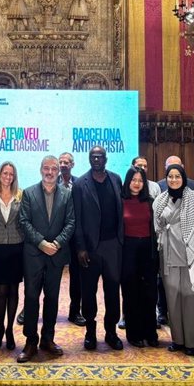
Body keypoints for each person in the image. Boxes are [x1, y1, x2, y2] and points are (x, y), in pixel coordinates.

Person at [17, 155, 75, 362]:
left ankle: (47, 339)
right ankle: (30, 341)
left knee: (52, 299)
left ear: (58, 171)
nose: (49, 172)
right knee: (31, 298)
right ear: (40, 170)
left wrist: (57, 244)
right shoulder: (28, 193)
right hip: (34, 254)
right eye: (46, 168)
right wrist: (42, 243)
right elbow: (23, 222)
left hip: (56, 256)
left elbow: (71, 223)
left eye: (53, 169)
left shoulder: (68, 194)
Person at [153, 164, 194, 355]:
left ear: (184, 178)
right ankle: (177, 340)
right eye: (170, 176)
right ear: (166, 178)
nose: (174, 180)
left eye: (178, 176)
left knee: (192, 300)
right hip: (169, 258)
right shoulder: (160, 201)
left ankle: (191, 343)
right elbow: (157, 228)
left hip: (192, 259)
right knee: (173, 300)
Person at [72, 145, 124, 351]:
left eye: (100, 156)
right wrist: (80, 248)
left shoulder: (116, 179)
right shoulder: (79, 184)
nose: (96, 159)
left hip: (113, 246)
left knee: (112, 291)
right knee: (89, 292)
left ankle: (111, 332)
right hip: (90, 248)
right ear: (88, 158)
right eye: (93, 156)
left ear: (106, 158)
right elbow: (76, 218)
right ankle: (90, 332)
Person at [156, 155, 194, 327]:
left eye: (177, 170)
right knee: (166, 285)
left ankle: (190, 325)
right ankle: (164, 312)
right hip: (167, 248)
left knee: (188, 290)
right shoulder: (159, 188)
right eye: (169, 171)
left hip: (188, 248)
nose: (173, 178)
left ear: (182, 167)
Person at [120, 166, 159, 348]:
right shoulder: (120, 201)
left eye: (140, 180)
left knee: (149, 294)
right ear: (127, 182)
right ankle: (134, 334)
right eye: (133, 180)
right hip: (127, 251)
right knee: (131, 293)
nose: (137, 184)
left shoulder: (151, 202)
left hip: (148, 251)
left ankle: (150, 332)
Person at [0, 161, 24, 351]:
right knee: (0, 291)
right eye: (5, 173)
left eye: (11, 174)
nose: (8, 177)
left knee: (14, 291)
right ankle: (0, 328)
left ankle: (10, 329)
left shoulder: (21, 196)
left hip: (16, 249)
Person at [58, 152, 85, 327]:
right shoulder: (52, 182)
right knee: (45, 275)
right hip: (56, 236)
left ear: (72, 165)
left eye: (66, 162)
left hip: (75, 237)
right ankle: (29, 310)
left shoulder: (80, 184)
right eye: (60, 162)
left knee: (77, 277)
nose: (62, 165)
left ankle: (75, 312)